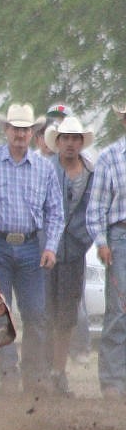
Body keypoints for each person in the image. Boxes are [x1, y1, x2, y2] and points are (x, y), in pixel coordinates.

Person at [0, 103, 65, 394]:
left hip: (33, 247)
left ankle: (34, 373)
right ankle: (8, 371)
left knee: (36, 313)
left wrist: (51, 247)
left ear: (33, 133)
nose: (20, 134)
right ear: (6, 131)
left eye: (25, 129)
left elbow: (55, 212)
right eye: (15, 128)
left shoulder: (44, 168)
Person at [42, 116, 94, 396]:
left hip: (74, 253)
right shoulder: (46, 169)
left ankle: (58, 372)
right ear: (58, 142)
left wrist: (81, 240)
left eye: (76, 138)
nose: (71, 143)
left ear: (81, 142)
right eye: (66, 138)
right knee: (43, 313)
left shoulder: (91, 174)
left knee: (67, 316)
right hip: (45, 251)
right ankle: (43, 372)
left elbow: (94, 212)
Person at [86, 104, 126, 399]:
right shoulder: (111, 157)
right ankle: (113, 380)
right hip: (120, 235)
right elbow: (97, 206)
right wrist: (102, 242)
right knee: (119, 309)